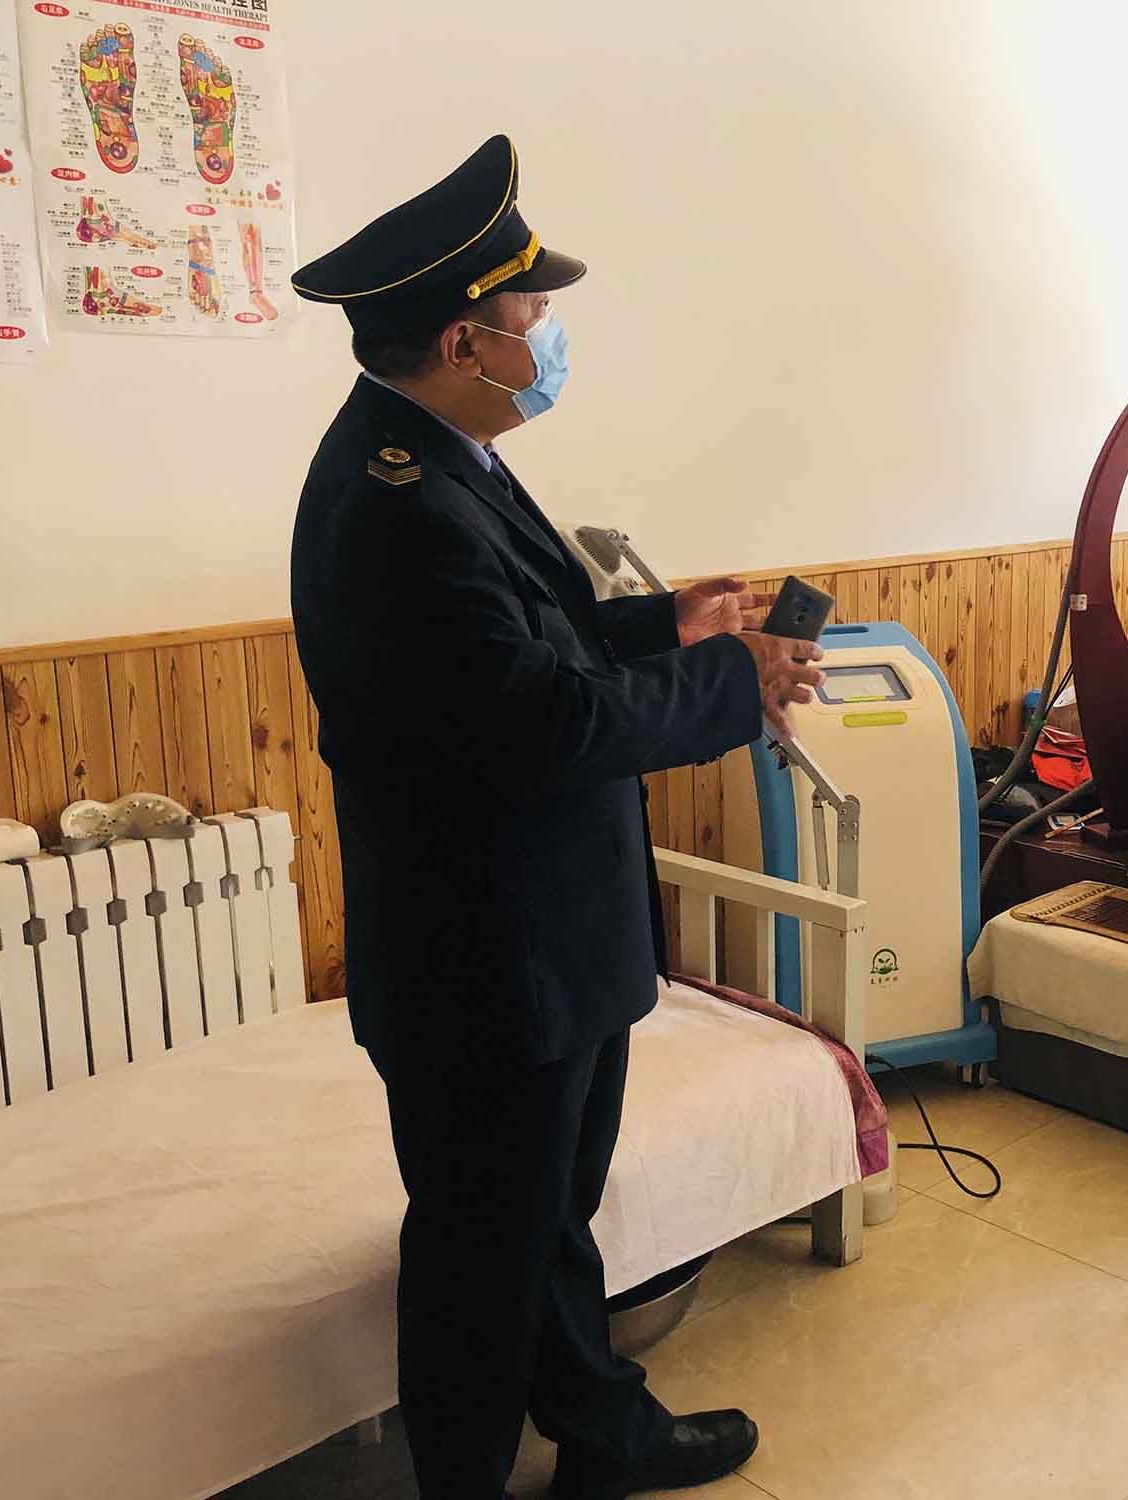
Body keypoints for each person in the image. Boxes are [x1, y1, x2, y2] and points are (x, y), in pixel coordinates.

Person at [289, 135, 824, 1498]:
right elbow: (544, 725)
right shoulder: (399, 507)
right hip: (491, 963)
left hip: (543, 945)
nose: (550, 338)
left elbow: (526, 645)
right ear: (466, 340)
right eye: (534, 315)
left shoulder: (442, 455)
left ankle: (604, 1434)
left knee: (546, 1221)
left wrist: (664, 624)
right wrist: (733, 677)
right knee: (480, 1255)